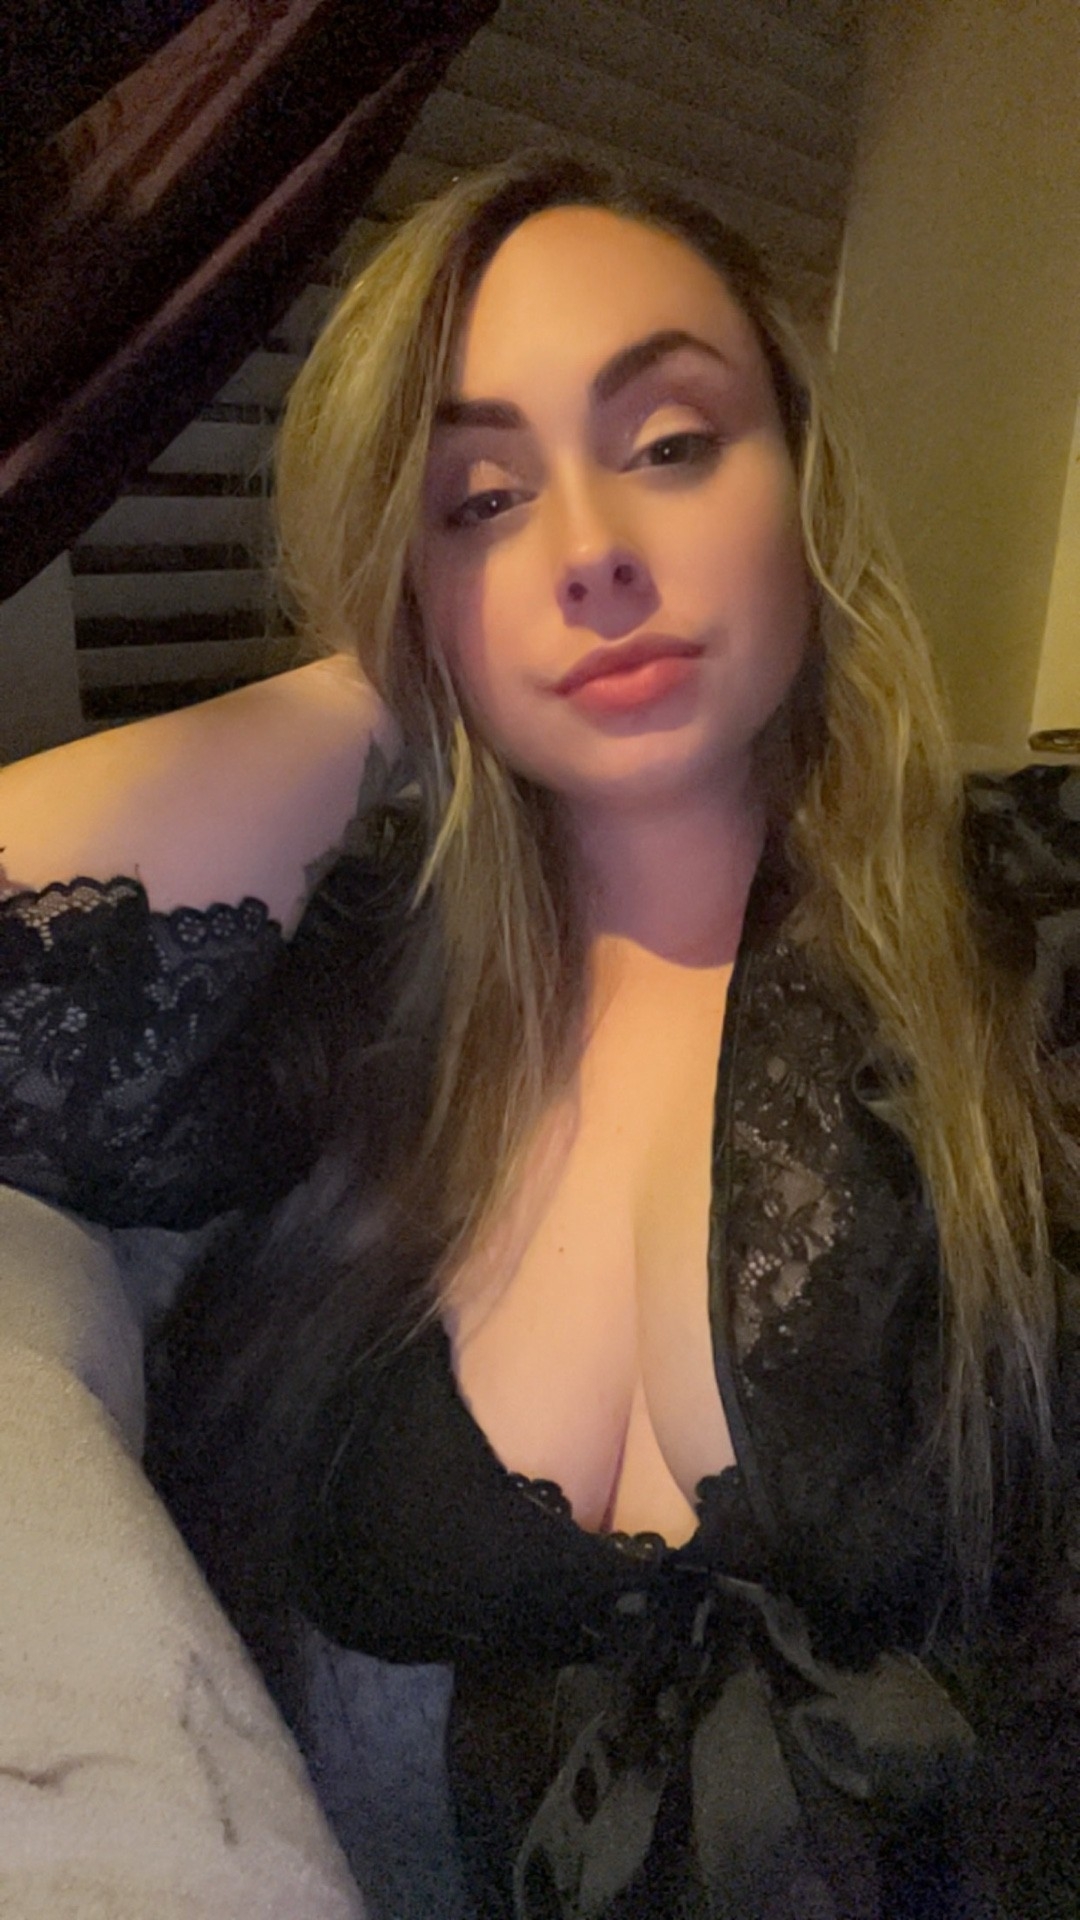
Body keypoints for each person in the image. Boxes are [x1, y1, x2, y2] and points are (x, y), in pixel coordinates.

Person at [1, 148, 1078, 1918]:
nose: (590, 557)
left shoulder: (1033, 923)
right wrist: (392, 668)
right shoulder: (353, 1011)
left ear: (802, 483)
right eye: (483, 497)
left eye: (671, 445)